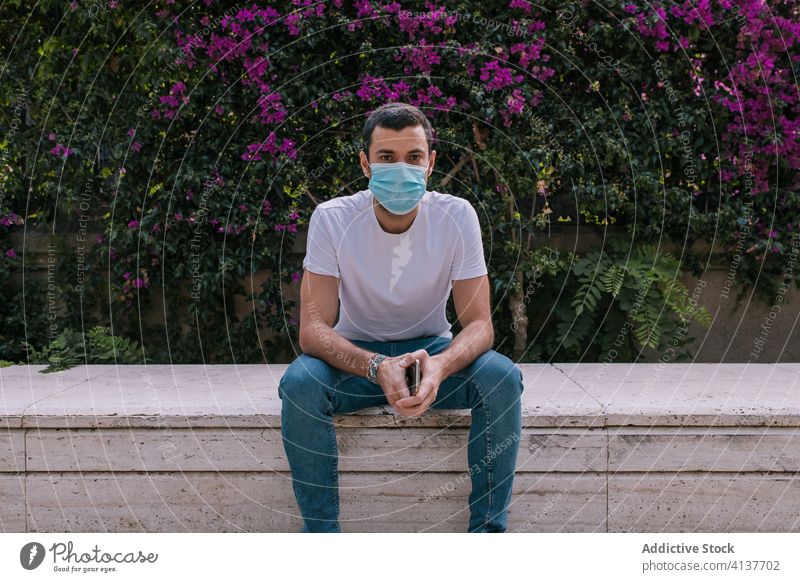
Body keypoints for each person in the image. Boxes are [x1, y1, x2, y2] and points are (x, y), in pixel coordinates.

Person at [278, 102, 524, 533]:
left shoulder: (457, 215)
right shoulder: (332, 219)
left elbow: (481, 324)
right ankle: (321, 542)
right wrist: (376, 367)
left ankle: (487, 539)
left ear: (430, 163)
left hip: (431, 356)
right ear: (365, 163)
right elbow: (314, 331)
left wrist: (440, 366)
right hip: (353, 362)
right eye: (387, 158)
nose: (401, 169)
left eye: (413, 158)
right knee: (300, 384)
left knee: (502, 378)